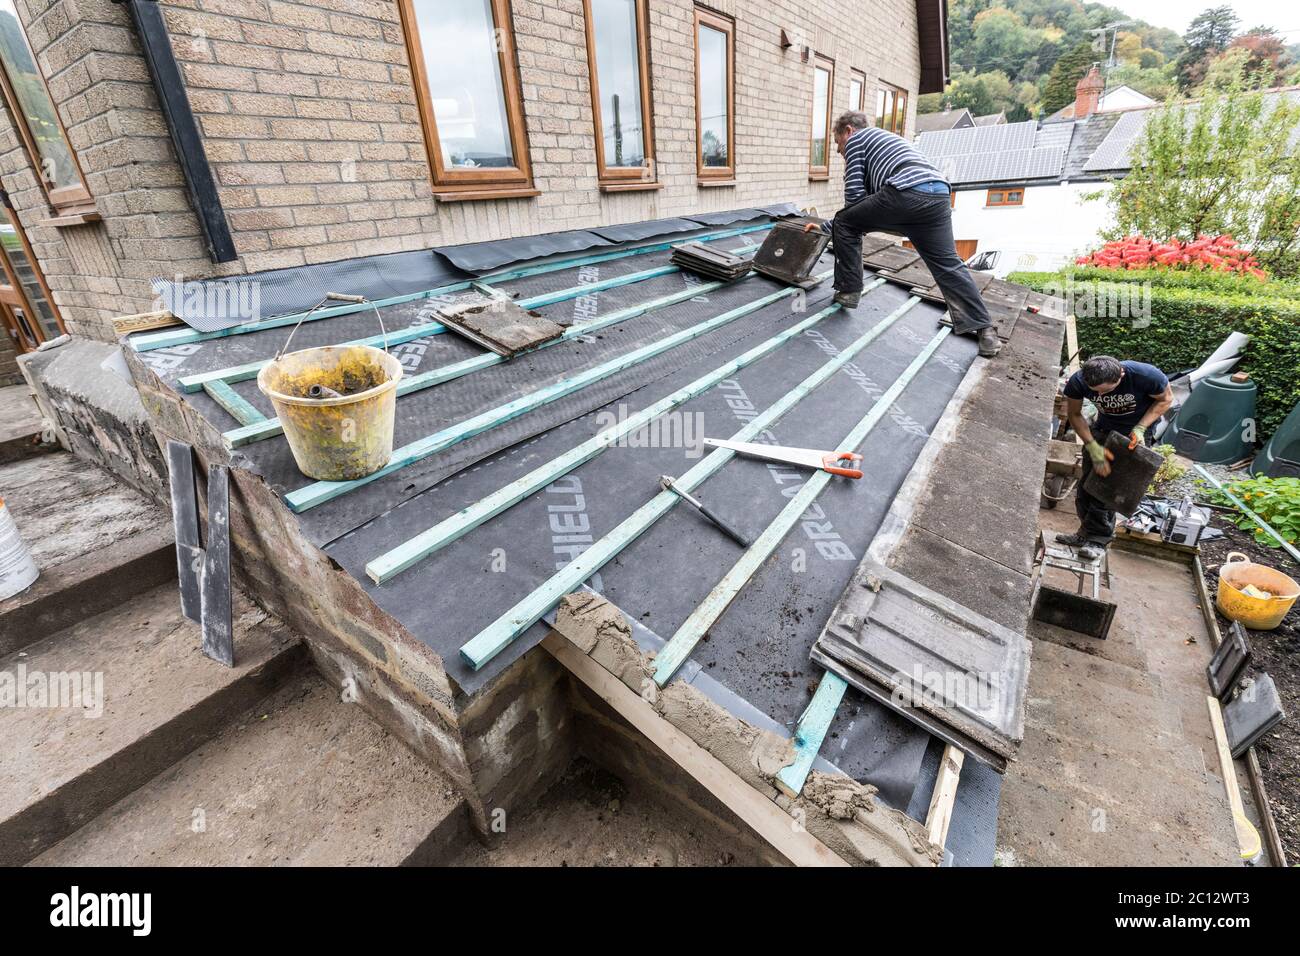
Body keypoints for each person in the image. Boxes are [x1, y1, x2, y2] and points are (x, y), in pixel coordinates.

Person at [804, 111, 1000, 358]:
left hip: (904, 193)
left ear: (848, 132)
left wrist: (828, 227)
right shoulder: (887, 142)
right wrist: (835, 225)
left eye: (837, 144)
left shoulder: (857, 140)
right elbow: (867, 207)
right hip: (937, 195)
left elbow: (853, 201)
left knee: (845, 221)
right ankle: (986, 332)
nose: (838, 151)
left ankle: (848, 291)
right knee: (947, 264)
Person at [1059, 355, 1174, 558]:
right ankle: (1085, 534)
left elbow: (1166, 399)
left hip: (1132, 435)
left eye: (1106, 390)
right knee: (1087, 484)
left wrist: (1140, 428)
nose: (1100, 395)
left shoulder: (1145, 375)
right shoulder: (1078, 381)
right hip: (1103, 429)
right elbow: (1075, 415)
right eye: (1096, 392)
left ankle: (1098, 540)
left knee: (1107, 488)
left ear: (1120, 374)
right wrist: (1092, 445)